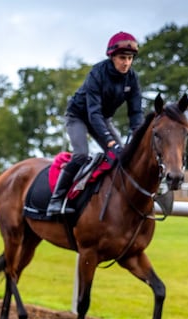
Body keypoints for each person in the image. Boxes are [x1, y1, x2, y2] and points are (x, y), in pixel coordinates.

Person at [47, 31, 144, 217]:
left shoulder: (132, 78)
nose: (126, 63)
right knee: (81, 155)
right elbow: (93, 113)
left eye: (130, 58)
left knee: (122, 158)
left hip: (102, 119)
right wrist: (110, 143)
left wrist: (137, 138)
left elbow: (136, 113)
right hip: (79, 116)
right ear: (112, 57)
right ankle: (56, 200)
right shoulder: (97, 73)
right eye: (122, 58)